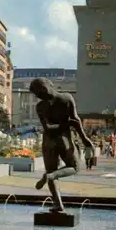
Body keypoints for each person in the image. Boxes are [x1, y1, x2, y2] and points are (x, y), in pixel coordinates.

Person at [30, 77, 94, 213]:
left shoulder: (41, 107)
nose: (38, 98)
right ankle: (52, 177)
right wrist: (84, 138)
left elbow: (47, 128)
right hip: (64, 140)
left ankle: (58, 204)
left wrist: (68, 125)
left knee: (50, 170)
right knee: (75, 167)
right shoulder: (66, 98)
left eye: (37, 95)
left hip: (48, 142)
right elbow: (75, 121)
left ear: (44, 90)